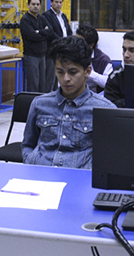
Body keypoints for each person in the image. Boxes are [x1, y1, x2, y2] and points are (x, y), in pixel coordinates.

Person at [21, 37, 116, 169]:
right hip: (41, 175)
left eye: (73, 72)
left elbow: (111, 154)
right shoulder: (39, 104)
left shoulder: (104, 109)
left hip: (80, 179)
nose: (66, 79)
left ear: (87, 71)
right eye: (60, 72)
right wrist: (30, 160)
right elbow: (28, 144)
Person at [104, 31, 134, 107]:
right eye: (124, 50)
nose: (126, 55)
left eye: (132, 50)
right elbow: (109, 105)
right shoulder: (116, 75)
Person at [20, 0, 52, 92]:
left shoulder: (42, 18)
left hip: (42, 55)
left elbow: (50, 32)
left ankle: (41, 104)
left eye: (38, 4)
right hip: (31, 56)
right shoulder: (25, 20)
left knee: (42, 83)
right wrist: (43, 32)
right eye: (33, 4)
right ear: (28, 5)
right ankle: (33, 105)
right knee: (33, 83)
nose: (36, 6)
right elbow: (32, 36)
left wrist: (39, 31)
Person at [42, 0, 72, 91]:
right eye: (56, 2)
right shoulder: (47, 15)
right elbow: (50, 32)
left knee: (58, 75)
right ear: (51, 3)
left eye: (60, 2)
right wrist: (62, 41)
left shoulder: (63, 16)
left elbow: (68, 30)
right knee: (50, 76)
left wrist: (69, 41)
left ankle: (55, 95)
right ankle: (47, 97)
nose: (58, 4)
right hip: (53, 49)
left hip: (63, 50)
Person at [76, 24, 112, 92]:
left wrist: (88, 72)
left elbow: (108, 83)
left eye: (79, 42)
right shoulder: (71, 55)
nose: (75, 45)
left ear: (91, 45)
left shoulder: (103, 60)